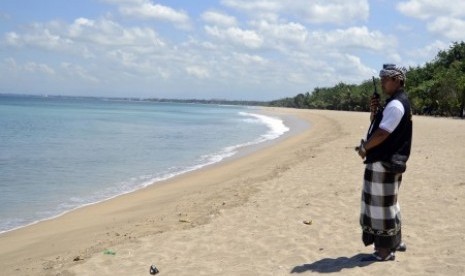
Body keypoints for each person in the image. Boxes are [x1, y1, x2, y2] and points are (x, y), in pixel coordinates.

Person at [356, 64, 413, 261]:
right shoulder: (395, 103)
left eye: (385, 79)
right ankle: (396, 243)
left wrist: (365, 148)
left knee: (380, 207)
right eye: (381, 79)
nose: (382, 82)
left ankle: (384, 252)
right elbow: (378, 126)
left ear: (397, 80)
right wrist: (375, 111)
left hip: (384, 162)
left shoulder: (396, 105)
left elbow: (382, 133)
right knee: (390, 204)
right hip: (392, 161)